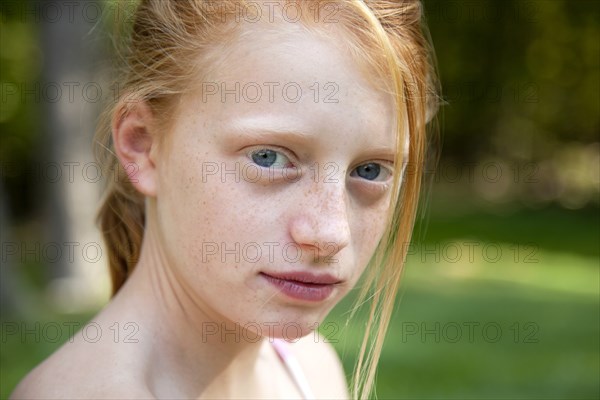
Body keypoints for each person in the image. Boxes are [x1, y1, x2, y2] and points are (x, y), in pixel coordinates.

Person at [11, 0, 439, 398]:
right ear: (142, 144)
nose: (331, 233)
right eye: (269, 158)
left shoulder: (310, 367)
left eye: (370, 170)